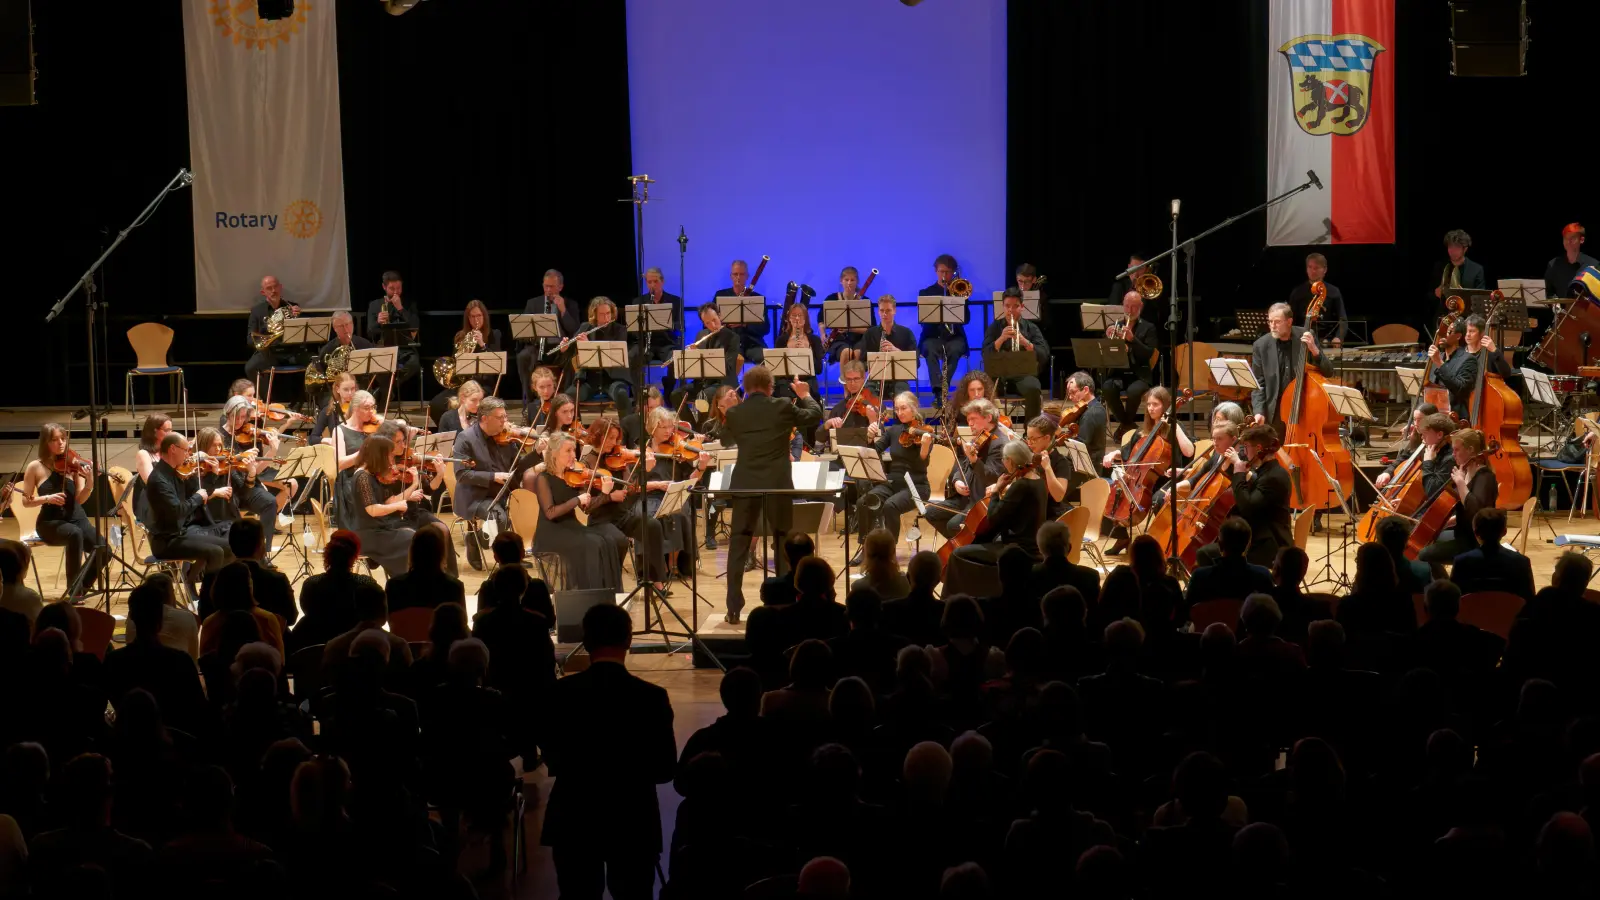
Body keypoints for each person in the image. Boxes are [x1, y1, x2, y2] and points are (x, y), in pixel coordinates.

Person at [543, 603, 676, 900]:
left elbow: (551, 755)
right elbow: (665, 770)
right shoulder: (652, 698)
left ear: (586, 641)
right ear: (628, 641)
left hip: (573, 815)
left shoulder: (559, 694)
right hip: (633, 818)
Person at [722, 365, 823, 624]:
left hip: (745, 484)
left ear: (745, 388)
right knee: (781, 541)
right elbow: (814, 415)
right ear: (770, 387)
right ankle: (784, 600)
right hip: (777, 483)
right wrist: (804, 394)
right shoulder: (781, 406)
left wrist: (730, 410)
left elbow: (723, 440)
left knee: (739, 543)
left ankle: (733, 607)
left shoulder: (735, 413)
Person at [20, 423, 108, 599]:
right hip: (50, 522)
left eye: (63, 438)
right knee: (74, 534)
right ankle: (74, 591)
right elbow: (25, 501)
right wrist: (47, 498)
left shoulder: (72, 464)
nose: (61, 443)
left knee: (105, 550)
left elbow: (79, 499)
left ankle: (80, 586)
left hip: (76, 517)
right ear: (46, 442)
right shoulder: (35, 467)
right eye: (55, 439)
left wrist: (90, 482)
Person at [531, 434, 626, 591]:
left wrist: (604, 494)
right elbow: (550, 513)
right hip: (550, 532)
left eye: (574, 451)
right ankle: (587, 594)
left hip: (572, 527)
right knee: (592, 544)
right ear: (554, 453)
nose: (573, 456)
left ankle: (606, 596)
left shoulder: (574, 476)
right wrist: (576, 500)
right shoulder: (543, 478)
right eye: (568, 451)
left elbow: (587, 508)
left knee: (607, 541)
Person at [146, 433, 235, 598]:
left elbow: (200, 493)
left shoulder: (176, 472)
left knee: (230, 545)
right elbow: (179, 511)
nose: (188, 455)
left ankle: (197, 582)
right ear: (173, 449)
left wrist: (211, 475)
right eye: (186, 450)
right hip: (166, 541)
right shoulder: (159, 480)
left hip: (182, 532)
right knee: (216, 552)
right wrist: (197, 497)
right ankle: (208, 596)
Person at [1191, 423, 1292, 569]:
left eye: (1247, 446)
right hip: (1259, 536)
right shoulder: (1267, 471)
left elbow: (1247, 506)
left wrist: (1238, 472)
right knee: (1215, 545)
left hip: (1268, 544)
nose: (1245, 451)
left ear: (1258, 449)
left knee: (1205, 553)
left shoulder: (1273, 476)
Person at [452, 397, 530, 568]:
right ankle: (505, 560)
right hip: (476, 496)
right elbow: (461, 474)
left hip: (503, 492)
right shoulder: (465, 439)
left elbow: (518, 466)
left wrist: (536, 453)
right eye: (500, 417)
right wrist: (493, 477)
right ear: (485, 418)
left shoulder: (505, 437)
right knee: (499, 518)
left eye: (505, 417)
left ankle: (476, 538)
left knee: (520, 512)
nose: (505, 421)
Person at [1417, 427, 1501, 577]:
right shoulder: (1466, 471)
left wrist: (1461, 484)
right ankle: (1444, 584)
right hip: (1461, 532)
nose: (1453, 454)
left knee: (1424, 554)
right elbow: (1463, 506)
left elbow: (1477, 513)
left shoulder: (1485, 477)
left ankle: (1445, 587)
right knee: (1424, 541)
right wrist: (1450, 520)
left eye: (1456, 450)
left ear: (1470, 450)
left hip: (1474, 540)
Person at [951, 439, 1048, 566]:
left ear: (1011, 460)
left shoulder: (1020, 485)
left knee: (958, 553)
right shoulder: (1039, 482)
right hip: (1032, 547)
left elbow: (994, 518)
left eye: (1004, 459)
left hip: (1017, 550)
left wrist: (996, 491)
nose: (1003, 462)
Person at [1249, 301, 1336, 438]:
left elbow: (1328, 372)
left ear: (1289, 322)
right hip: (1275, 413)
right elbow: (1258, 384)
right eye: (1270, 321)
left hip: (1303, 409)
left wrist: (1314, 349)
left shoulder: (1306, 336)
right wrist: (1258, 411)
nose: (1272, 326)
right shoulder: (1260, 345)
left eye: (1277, 322)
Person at [859, 392, 933, 547]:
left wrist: (925, 448)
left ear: (914, 407)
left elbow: (921, 466)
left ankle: (888, 551)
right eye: (897, 409)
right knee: (864, 502)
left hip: (917, 486)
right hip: (893, 483)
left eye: (903, 408)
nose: (899, 413)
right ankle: (865, 546)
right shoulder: (894, 430)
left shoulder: (924, 432)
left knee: (890, 506)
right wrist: (870, 438)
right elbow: (874, 451)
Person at [929, 399, 1010, 540]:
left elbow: (992, 477)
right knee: (931, 512)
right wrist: (957, 481)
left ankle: (963, 550)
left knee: (953, 525)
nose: (970, 424)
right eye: (968, 420)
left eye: (973, 419)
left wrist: (974, 460)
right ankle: (959, 546)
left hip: (980, 501)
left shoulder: (1000, 444)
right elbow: (961, 467)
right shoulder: (977, 438)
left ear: (988, 417)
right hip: (964, 498)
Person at [348, 435, 427, 578]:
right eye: (389, 455)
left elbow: (391, 500)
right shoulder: (362, 477)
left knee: (413, 536)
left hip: (379, 529)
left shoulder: (372, 474)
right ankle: (405, 581)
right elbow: (372, 510)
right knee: (410, 538)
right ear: (379, 455)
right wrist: (397, 506)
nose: (391, 459)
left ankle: (409, 580)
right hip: (368, 534)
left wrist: (414, 484)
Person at [199, 516, 294, 626]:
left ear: (231, 544)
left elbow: (204, 618)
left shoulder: (211, 578)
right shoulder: (278, 580)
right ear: (261, 546)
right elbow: (291, 618)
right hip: (268, 641)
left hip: (223, 641)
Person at [427, 299, 502, 428]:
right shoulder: (461, 336)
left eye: (479, 315)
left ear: (484, 316)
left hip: (484, 385)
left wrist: (482, 345)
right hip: (463, 385)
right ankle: (452, 430)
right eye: (472, 316)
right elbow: (455, 363)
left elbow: (497, 363)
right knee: (435, 404)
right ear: (468, 318)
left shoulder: (494, 335)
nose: (476, 320)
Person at [983, 288, 1051, 421]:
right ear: (1003, 306)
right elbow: (985, 353)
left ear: (1022, 307)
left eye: (1015, 306)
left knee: (1034, 388)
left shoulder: (1031, 328)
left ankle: (1030, 432)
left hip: (1023, 376)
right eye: (1007, 306)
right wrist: (1001, 339)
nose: (1010, 310)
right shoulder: (995, 327)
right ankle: (990, 430)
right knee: (983, 388)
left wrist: (1026, 342)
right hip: (999, 376)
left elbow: (1044, 354)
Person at [518, 269, 582, 412]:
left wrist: (563, 309)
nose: (548, 290)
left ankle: (566, 402)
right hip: (538, 346)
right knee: (523, 357)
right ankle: (528, 405)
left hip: (560, 347)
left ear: (560, 287)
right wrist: (534, 334)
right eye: (545, 286)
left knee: (573, 357)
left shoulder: (570, 304)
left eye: (551, 287)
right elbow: (523, 331)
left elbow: (574, 329)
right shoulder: (533, 303)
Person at [1101, 290, 1161, 439]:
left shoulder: (1149, 328)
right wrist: (1108, 340)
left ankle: (1125, 426)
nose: (1129, 310)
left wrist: (1132, 340)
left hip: (1139, 374)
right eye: (1127, 306)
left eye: (1134, 307)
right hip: (1118, 373)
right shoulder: (1116, 325)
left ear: (1140, 306)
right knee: (1107, 387)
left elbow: (1148, 354)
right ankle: (1128, 425)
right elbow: (1106, 354)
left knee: (1134, 392)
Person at [1450, 507, 1535, 602]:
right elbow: (1530, 602)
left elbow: (1452, 601)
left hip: (1471, 616)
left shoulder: (1461, 562)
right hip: (1510, 616)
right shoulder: (1522, 562)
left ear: (1475, 533)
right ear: (1504, 532)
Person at [1185, 518, 1275, 607]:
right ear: (1248, 545)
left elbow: (1189, 612)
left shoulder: (1199, 577)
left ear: (1220, 545)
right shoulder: (1263, 576)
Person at [918, 253, 970, 406]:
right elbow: (923, 321)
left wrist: (960, 300)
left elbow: (966, 319)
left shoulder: (960, 291)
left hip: (954, 337)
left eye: (948, 272)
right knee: (929, 349)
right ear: (936, 271)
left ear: (953, 273)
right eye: (941, 271)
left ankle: (943, 390)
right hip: (933, 336)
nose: (944, 275)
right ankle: (938, 392)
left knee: (954, 350)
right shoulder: (926, 293)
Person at [572, 296, 633, 418]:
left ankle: (627, 431)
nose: (606, 318)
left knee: (621, 394)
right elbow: (572, 353)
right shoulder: (586, 327)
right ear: (594, 314)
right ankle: (577, 429)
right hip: (590, 379)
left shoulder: (620, 330)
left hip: (613, 379)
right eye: (602, 314)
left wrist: (589, 346)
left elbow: (613, 355)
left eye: (608, 313)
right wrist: (564, 348)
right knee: (569, 397)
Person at [627, 266, 684, 398]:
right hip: (646, 344)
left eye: (656, 281)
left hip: (667, 343)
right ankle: (638, 396)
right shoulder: (639, 302)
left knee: (676, 359)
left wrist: (665, 322)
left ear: (662, 282)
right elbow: (633, 329)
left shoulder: (675, 301)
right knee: (632, 356)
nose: (652, 285)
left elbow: (680, 325)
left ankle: (669, 390)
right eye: (649, 282)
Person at [363, 270, 421, 395]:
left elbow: (415, 326)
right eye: (391, 288)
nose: (396, 292)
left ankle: (386, 389)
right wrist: (378, 322)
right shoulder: (374, 305)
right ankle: (386, 390)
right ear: (384, 287)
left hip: (405, 348)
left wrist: (400, 308)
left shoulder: (409, 304)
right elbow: (370, 332)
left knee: (414, 363)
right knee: (377, 364)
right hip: (383, 347)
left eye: (399, 288)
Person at [385, 524, 466, 614]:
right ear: (441, 552)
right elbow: (462, 623)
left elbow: (391, 621)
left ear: (412, 551)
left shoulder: (394, 586)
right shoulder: (454, 587)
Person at [674, 304, 742, 412]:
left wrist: (708, 355)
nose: (713, 325)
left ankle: (705, 427)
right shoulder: (701, 335)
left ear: (719, 316)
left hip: (722, 383)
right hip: (703, 383)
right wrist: (692, 356)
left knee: (703, 397)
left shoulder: (732, 338)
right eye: (707, 323)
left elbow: (729, 367)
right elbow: (696, 368)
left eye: (714, 320)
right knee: (676, 394)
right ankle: (693, 426)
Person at [857, 295, 917, 400]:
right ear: (878, 312)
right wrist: (875, 361)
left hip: (899, 379)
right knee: (868, 398)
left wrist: (897, 352)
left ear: (894, 311)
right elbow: (862, 362)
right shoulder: (870, 334)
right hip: (875, 379)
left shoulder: (906, 333)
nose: (884, 314)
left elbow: (917, 363)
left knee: (903, 398)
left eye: (888, 310)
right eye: (882, 310)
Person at [244, 274, 302, 380]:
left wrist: (298, 318)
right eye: (269, 288)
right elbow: (250, 339)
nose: (273, 290)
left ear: (280, 287)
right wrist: (265, 335)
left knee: (315, 362)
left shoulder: (291, 307)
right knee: (250, 368)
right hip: (269, 353)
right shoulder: (257, 311)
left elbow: (301, 334)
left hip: (291, 351)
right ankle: (263, 396)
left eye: (275, 287)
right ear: (263, 292)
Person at [713, 258, 770, 365]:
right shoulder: (720, 296)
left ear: (747, 276)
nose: (738, 277)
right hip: (728, 343)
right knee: (725, 361)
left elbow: (765, 328)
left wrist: (745, 324)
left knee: (766, 360)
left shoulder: (757, 298)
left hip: (752, 344)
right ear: (731, 276)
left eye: (742, 274)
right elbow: (711, 323)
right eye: (735, 274)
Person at [817, 360, 882, 447]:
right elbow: (819, 438)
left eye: (856, 379)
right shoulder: (839, 408)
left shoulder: (874, 404)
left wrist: (873, 420)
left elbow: (881, 443)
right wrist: (828, 424)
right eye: (849, 379)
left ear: (863, 378)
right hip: (843, 457)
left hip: (868, 455)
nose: (852, 383)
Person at [1287, 252, 1348, 344]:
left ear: (1325, 270)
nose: (1312, 271)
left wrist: (1338, 337)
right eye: (1310, 267)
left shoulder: (1333, 291)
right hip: (1301, 340)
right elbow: (1290, 319)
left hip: (1326, 340)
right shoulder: (1298, 292)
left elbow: (1343, 320)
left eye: (1316, 268)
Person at [773, 298, 825, 402]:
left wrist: (806, 352)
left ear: (805, 319)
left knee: (807, 396)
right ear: (789, 319)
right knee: (784, 396)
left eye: (800, 315)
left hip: (807, 380)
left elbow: (819, 369)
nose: (797, 318)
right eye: (794, 315)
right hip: (787, 381)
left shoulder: (814, 340)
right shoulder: (781, 340)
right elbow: (776, 370)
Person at [1023, 416, 1073, 521]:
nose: (1029, 443)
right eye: (1028, 438)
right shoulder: (1029, 456)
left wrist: (1048, 468)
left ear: (1046, 438)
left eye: (1033, 439)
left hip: (1050, 515)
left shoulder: (1061, 462)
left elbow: (1058, 496)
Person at [1428, 316, 1476, 421]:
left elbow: (1461, 389)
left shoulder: (1468, 360)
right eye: (1442, 332)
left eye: (1448, 332)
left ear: (1458, 336)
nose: (1443, 336)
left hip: (1455, 417)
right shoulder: (1437, 357)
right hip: (1434, 414)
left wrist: (1440, 363)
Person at [1063, 371, 1109, 479]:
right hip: (1081, 463)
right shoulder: (1089, 409)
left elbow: (1081, 443)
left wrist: (1061, 438)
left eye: (1073, 392)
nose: (1070, 397)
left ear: (1086, 390)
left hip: (1086, 469)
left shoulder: (1092, 413)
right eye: (1068, 393)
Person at [821, 266, 869, 364]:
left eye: (852, 280)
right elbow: (821, 318)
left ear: (857, 282)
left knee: (857, 353)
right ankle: (844, 379)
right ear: (841, 281)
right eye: (846, 279)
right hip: (838, 340)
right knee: (846, 352)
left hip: (859, 340)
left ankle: (857, 379)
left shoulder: (864, 301)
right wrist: (822, 334)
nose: (849, 283)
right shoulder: (831, 299)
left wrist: (849, 329)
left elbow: (869, 329)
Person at [1434, 228, 1487, 312]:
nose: (1453, 251)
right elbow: (1427, 296)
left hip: (1467, 316)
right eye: (1450, 246)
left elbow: (1481, 299)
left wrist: (1464, 295)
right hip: (1443, 315)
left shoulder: (1476, 269)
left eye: (1457, 247)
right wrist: (1435, 293)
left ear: (1465, 249)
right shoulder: (1440, 267)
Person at [1544, 222, 1598, 302]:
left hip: (1586, 313)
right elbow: (1549, 293)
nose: (1568, 241)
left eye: (1572, 238)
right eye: (1565, 238)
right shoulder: (1553, 265)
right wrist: (1555, 306)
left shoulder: (1593, 265)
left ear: (1581, 240)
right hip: (1561, 313)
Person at [309, 372, 359, 446]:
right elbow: (312, 439)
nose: (350, 393)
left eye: (352, 389)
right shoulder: (329, 411)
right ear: (337, 389)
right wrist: (329, 440)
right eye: (346, 389)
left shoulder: (360, 408)